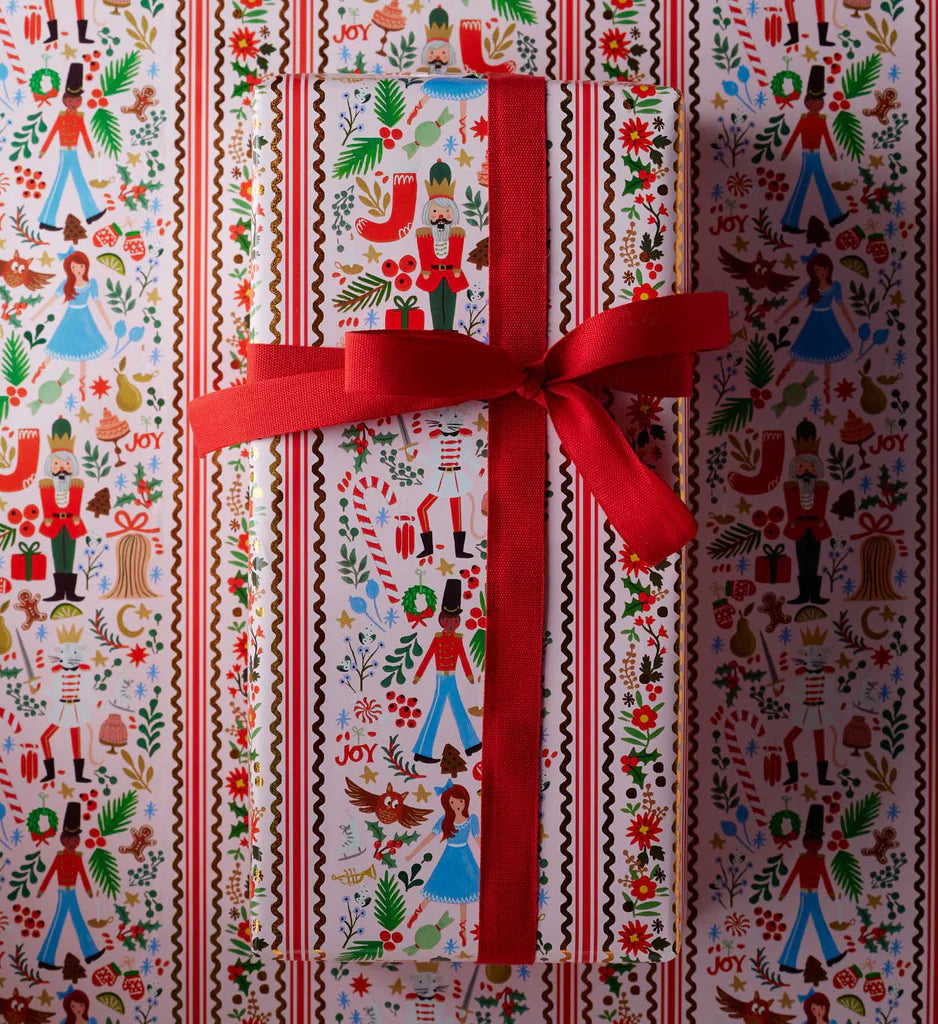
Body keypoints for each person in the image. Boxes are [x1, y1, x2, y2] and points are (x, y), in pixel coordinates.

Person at [411, 579, 481, 764]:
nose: (452, 623)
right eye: (448, 620)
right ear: (441, 620)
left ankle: (471, 743)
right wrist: (418, 675)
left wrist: (469, 675)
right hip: (442, 678)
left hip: (452, 677)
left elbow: (464, 657)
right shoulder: (438, 639)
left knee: (457, 708)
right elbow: (427, 656)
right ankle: (422, 750)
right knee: (436, 710)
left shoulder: (457, 639)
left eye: (456, 620)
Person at [405, 781, 480, 947]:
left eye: (460, 801)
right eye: (452, 802)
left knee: (465, 890)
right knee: (437, 884)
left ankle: (462, 929)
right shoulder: (445, 820)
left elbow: (478, 840)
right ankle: (416, 913)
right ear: (448, 804)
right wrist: (412, 854)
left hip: (465, 857)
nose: (457, 805)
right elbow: (429, 838)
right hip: (449, 856)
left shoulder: (471, 820)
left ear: (466, 801)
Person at [775, 251, 855, 403]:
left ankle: (827, 388)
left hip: (829, 321)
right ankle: (782, 374)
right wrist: (781, 316)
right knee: (801, 347)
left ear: (829, 268)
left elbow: (842, 305)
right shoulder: (810, 287)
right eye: (817, 270)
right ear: (812, 272)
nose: (821, 273)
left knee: (828, 352)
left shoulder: (834, 287)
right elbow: (795, 302)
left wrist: (851, 324)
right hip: (814, 320)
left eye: (823, 269)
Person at [32, 251, 111, 401]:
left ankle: (82, 386)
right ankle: (39, 371)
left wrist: (107, 321)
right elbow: (52, 300)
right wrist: (37, 314)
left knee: (84, 349)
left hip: (85, 319)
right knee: (57, 344)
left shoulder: (91, 284)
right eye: (74, 267)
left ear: (85, 266)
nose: (77, 270)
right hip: (70, 317)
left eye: (80, 266)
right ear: (70, 268)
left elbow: (98, 302)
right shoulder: (67, 284)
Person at [38, 64, 105, 231]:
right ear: (64, 100)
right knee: (59, 183)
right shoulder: (61, 117)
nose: (73, 103)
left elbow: (84, 134)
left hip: (73, 152)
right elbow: (52, 132)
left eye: (77, 100)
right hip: (64, 153)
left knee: (80, 180)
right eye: (70, 100)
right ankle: (46, 219)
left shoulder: (80, 117)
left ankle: (91, 213)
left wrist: (89, 149)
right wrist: (44, 149)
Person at [778, 804, 844, 972]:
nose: (815, 845)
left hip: (814, 895)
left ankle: (831, 956)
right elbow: (792, 876)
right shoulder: (802, 860)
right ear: (806, 843)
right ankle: (786, 962)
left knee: (820, 923)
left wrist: (830, 891)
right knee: (799, 925)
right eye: (811, 842)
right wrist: (784, 892)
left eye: (818, 842)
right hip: (805, 896)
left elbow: (825, 877)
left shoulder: (820, 860)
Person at [780, 67, 847, 234]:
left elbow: (827, 137)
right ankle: (789, 222)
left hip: (816, 155)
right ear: (807, 102)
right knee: (801, 186)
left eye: (820, 102)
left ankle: (834, 216)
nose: (818, 104)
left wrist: (832, 152)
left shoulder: (822, 120)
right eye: (814, 101)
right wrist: (786, 152)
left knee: (823, 183)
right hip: (807, 155)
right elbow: (795, 135)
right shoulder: (804, 119)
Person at [37, 802, 103, 969]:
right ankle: (45, 958)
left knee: (79, 921)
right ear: (63, 840)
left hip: (72, 892)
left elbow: (82, 874)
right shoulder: (59, 857)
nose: (72, 843)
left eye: (75, 839)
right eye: (68, 839)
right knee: (57, 923)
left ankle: (90, 952)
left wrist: (88, 889)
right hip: (62, 893)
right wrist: (42, 889)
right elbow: (51, 872)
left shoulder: (78, 857)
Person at [782, 420, 832, 606]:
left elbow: (821, 506)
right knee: (802, 561)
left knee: (814, 560)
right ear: (795, 469)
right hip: (798, 528)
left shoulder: (821, 486)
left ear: (817, 468)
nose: (806, 471)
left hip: (816, 528)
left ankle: (815, 595)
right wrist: (793, 520)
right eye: (801, 467)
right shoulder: (791, 487)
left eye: (810, 467)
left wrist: (817, 520)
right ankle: (804, 595)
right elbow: (791, 506)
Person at [38, 418, 88, 603]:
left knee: (71, 554)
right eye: (57, 464)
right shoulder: (46, 485)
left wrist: (76, 516)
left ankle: (71, 592)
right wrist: (47, 518)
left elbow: (76, 502)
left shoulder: (76, 484)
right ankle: (60, 592)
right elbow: (47, 503)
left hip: (72, 523)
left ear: (72, 466)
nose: (62, 468)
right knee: (57, 554)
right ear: (50, 466)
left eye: (66, 465)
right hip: (54, 523)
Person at [414, 161, 468, 330]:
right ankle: (438, 330)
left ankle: (449, 331)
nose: (440, 216)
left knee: (450, 304)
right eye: (435, 212)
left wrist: (457, 268)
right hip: (432, 274)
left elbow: (457, 252)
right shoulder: (425, 234)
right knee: (435, 304)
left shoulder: (456, 233)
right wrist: (425, 269)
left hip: (452, 274)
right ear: (428, 213)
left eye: (446, 212)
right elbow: (424, 253)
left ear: (453, 213)